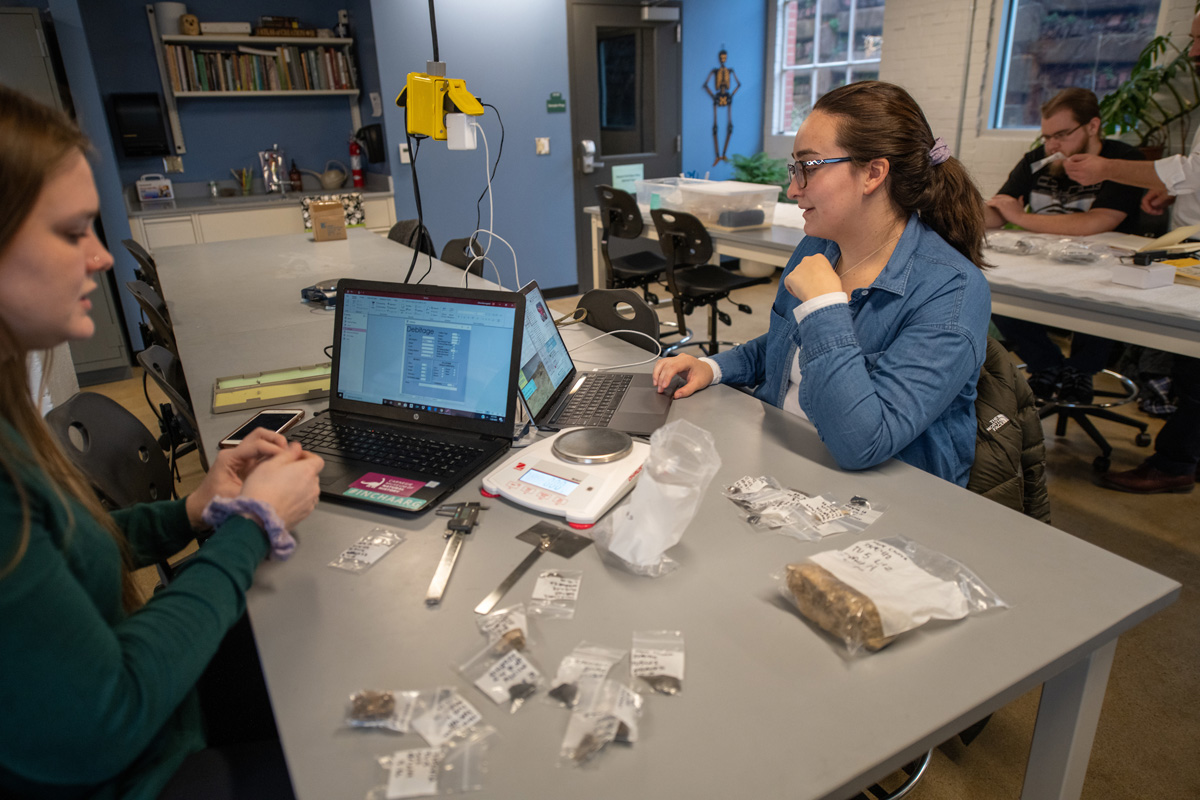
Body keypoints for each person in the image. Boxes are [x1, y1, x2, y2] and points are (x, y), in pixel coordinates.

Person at [0, 86, 324, 798]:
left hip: (160, 716)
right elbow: (102, 719)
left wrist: (189, 513)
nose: (101, 257)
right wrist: (252, 526)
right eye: (70, 232)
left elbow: (58, 552)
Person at [652, 81, 991, 487]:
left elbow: (863, 442)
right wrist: (714, 367)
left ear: (873, 173)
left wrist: (824, 307)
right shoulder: (821, 246)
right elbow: (785, 346)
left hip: (886, 495)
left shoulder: (952, 291)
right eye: (794, 169)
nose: (794, 188)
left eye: (809, 168)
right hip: (788, 457)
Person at [1059, 11, 1200, 494]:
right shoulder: (1039, 163)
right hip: (1185, 245)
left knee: (1195, 366)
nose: (1194, 52)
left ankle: (1177, 461)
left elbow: (1096, 223)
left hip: (1184, 258)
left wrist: (1109, 169)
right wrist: (1174, 193)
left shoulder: (1111, 160)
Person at [985, 88, 1146, 405]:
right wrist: (962, 208)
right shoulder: (1036, 161)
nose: (1052, 146)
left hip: (1103, 273)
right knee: (989, 288)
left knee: (1098, 299)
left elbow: (1096, 223)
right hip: (1041, 264)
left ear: (1092, 126)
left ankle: (1081, 370)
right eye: (1047, 137)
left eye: (1062, 135)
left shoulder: (1123, 161)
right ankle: (1046, 363)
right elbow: (999, 210)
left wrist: (1019, 217)